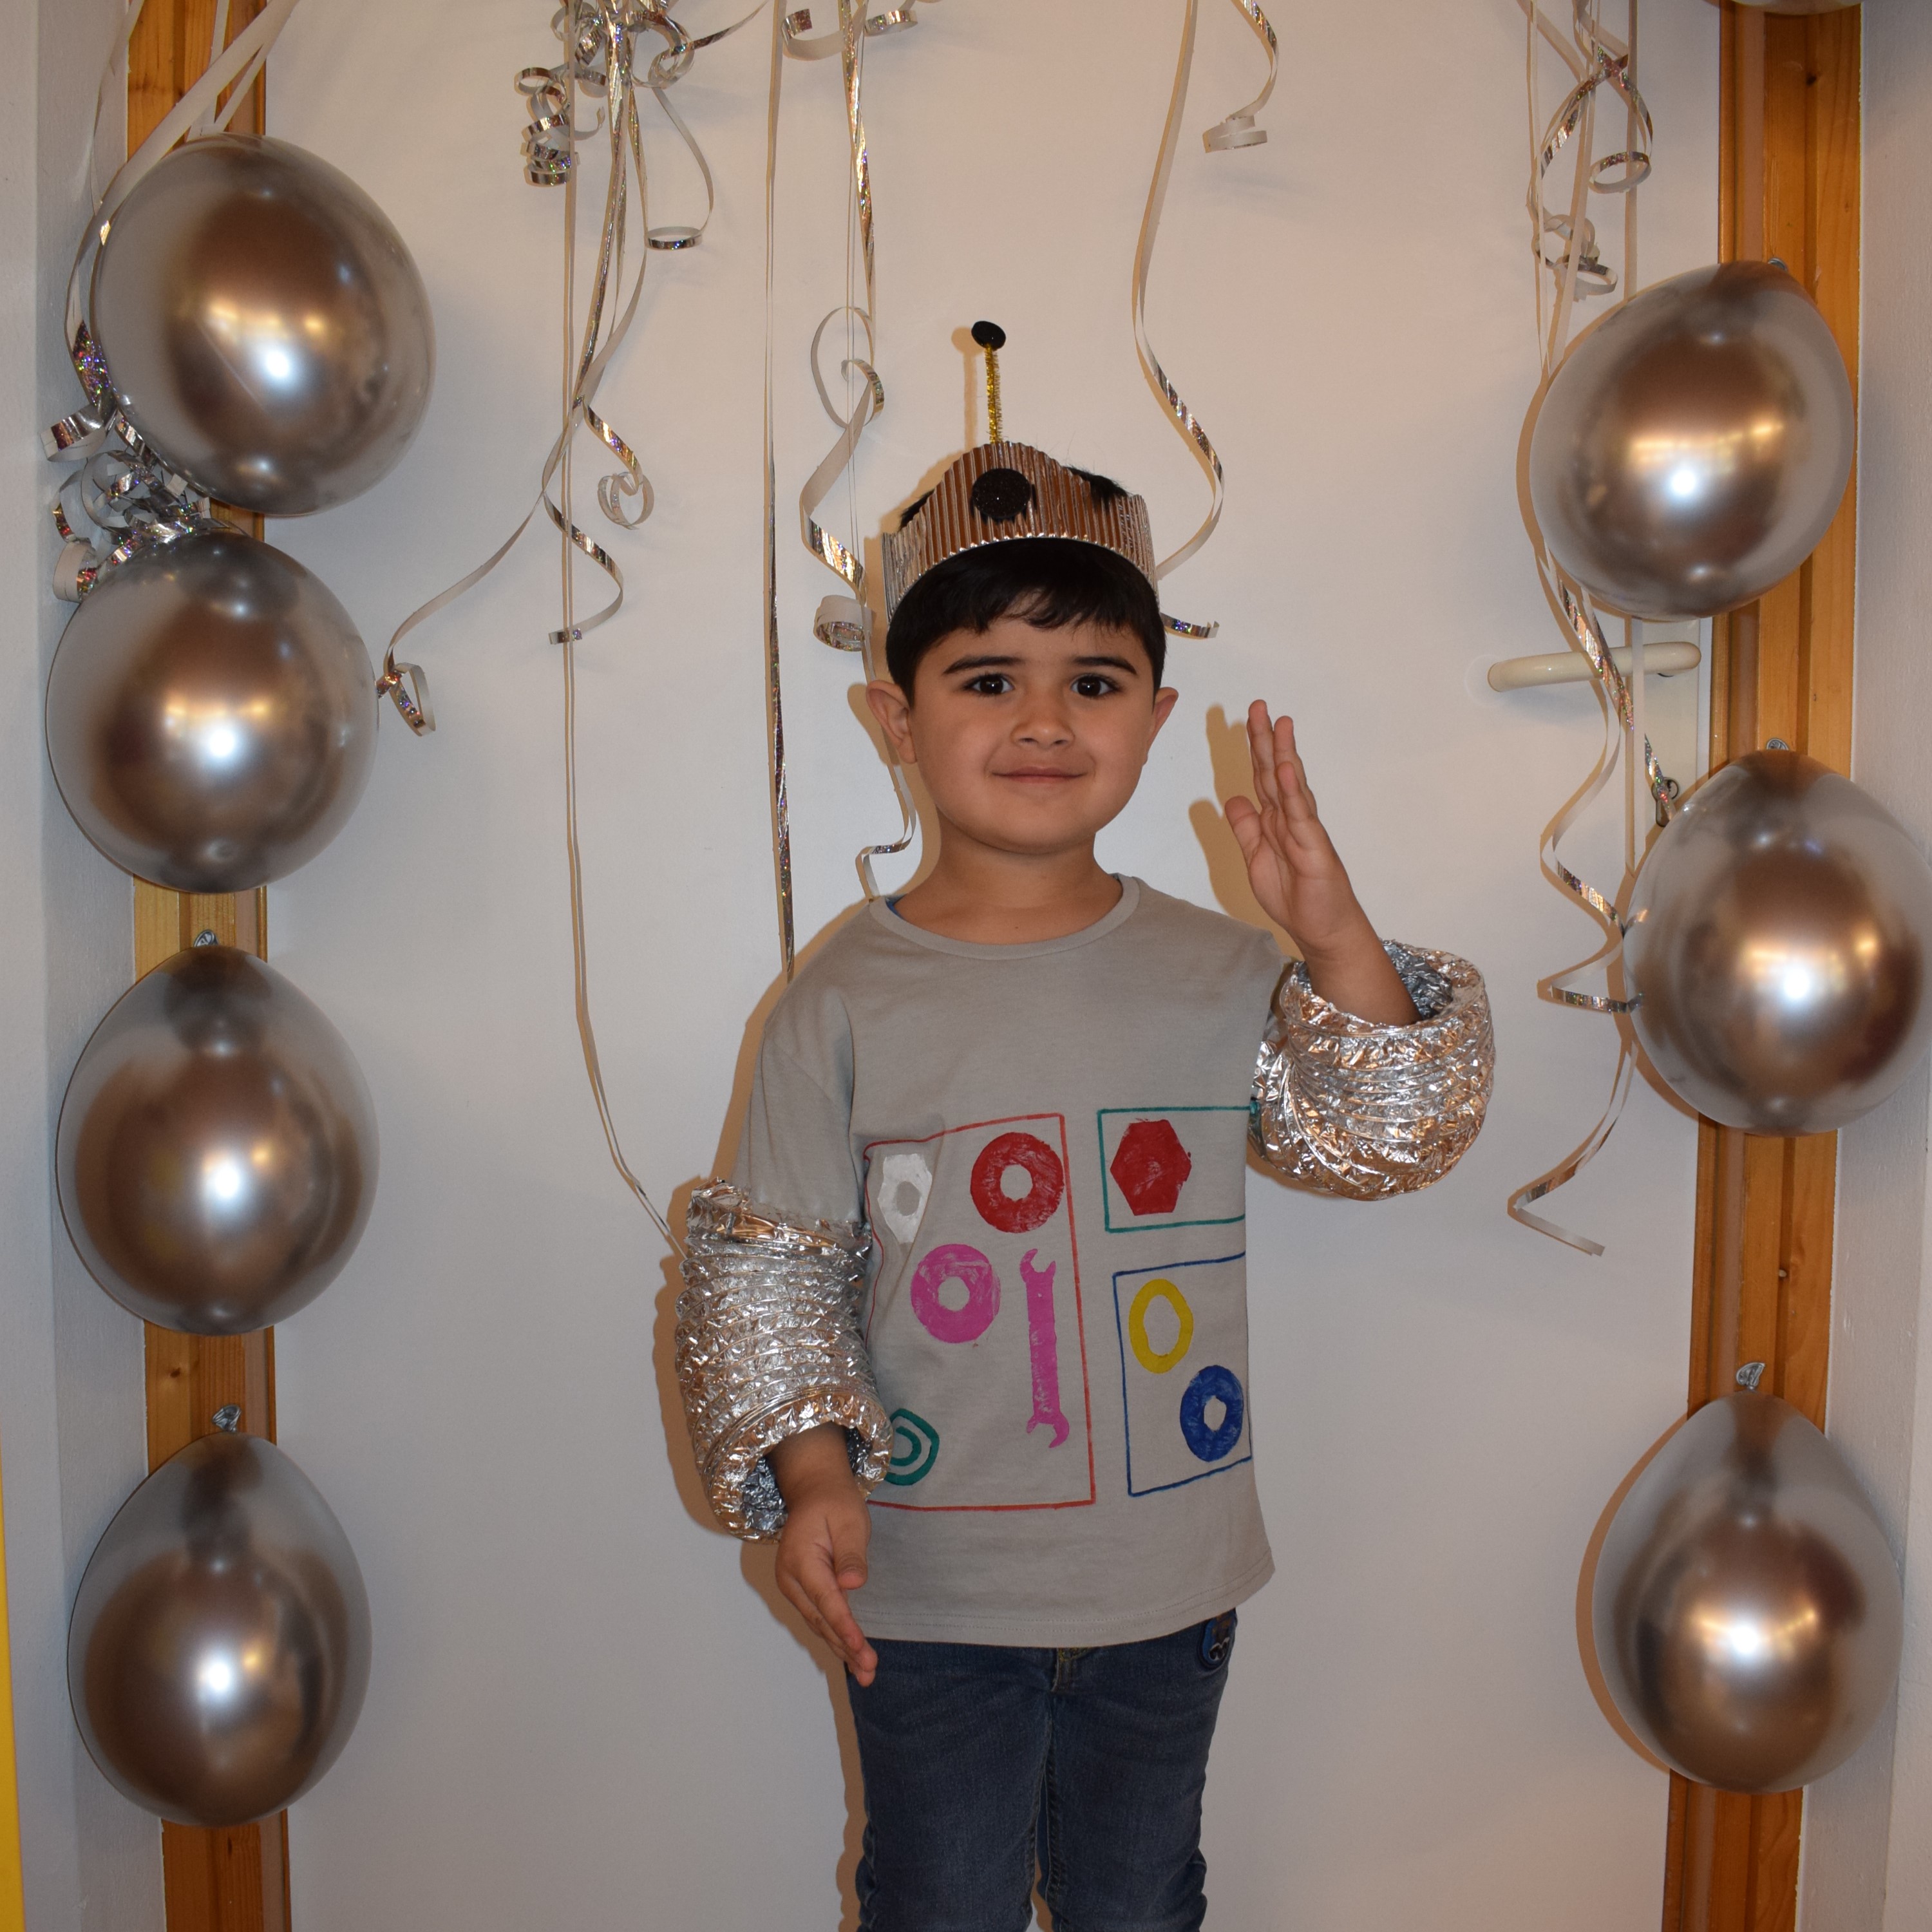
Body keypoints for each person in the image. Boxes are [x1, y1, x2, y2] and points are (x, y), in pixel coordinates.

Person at [676, 422, 1493, 1932]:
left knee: (1140, 1900)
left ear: (1156, 715)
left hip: (1167, 1592)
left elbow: (1386, 1135)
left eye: (1095, 684)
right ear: (896, 716)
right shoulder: (838, 1000)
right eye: (990, 679)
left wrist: (1331, 937)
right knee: (939, 1902)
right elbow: (771, 1273)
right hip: (926, 1600)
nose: (1044, 720)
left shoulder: (1218, 970)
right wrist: (813, 1480)